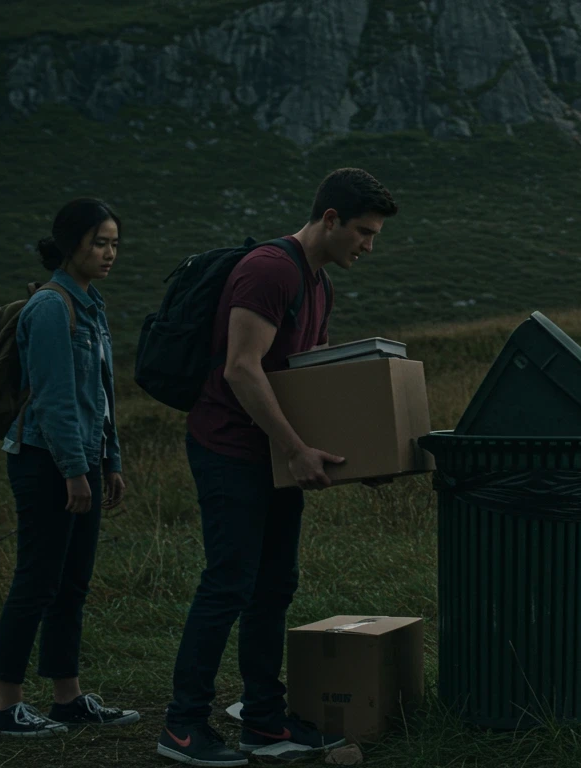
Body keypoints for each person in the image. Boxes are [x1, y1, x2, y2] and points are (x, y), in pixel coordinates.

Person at [158, 169, 398, 767]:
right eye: (364, 233)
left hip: (273, 456)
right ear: (330, 220)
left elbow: (305, 378)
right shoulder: (271, 270)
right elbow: (243, 368)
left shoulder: (320, 284)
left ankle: (263, 721)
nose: (370, 246)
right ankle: (183, 726)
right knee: (228, 584)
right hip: (229, 449)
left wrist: (361, 451)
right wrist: (294, 448)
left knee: (273, 589)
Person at [0, 198, 137, 737]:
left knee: (72, 583)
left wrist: (109, 460)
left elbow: (99, 394)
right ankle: (6, 707)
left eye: (115, 243)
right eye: (100, 242)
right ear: (72, 243)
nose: (110, 253)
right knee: (37, 582)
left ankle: (66, 699)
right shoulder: (52, 306)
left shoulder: (91, 304)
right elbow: (53, 399)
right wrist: (76, 470)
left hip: (82, 460)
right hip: (44, 461)